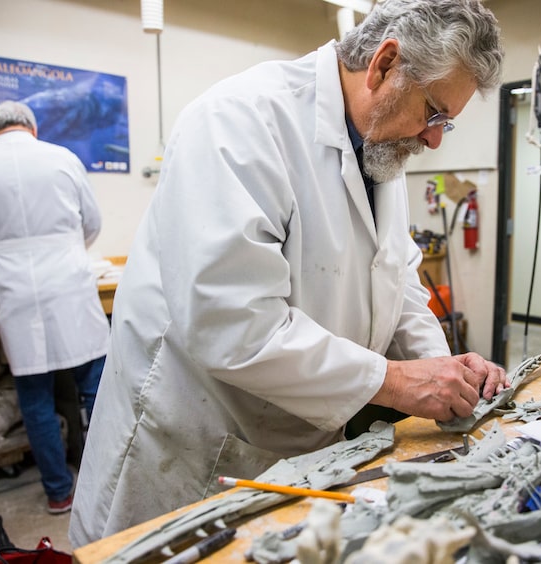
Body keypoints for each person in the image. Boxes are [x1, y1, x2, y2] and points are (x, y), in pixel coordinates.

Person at [70, 0, 506, 544]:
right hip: (196, 445)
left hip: (297, 446)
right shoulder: (240, 121)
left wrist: (444, 375)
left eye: (447, 123)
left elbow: (399, 283)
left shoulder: (380, 152)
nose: (435, 138)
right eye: (434, 112)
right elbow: (233, 325)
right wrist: (396, 382)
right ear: (386, 65)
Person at [0, 101, 109, 514]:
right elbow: (91, 223)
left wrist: (1, 258)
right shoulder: (63, 158)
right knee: (94, 383)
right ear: (33, 128)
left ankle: (59, 492)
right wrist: (65, 250)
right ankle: (108, 479)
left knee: (35, 395)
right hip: (69, 277)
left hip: (12, 283)